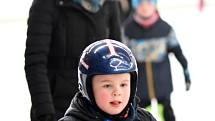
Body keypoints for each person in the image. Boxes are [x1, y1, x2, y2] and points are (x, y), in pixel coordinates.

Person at [24, 0, 122, 120]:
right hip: (57, 106)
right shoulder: (46, 4)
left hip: (98, 106)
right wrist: (45, 112)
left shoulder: (108, 3)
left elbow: (118, 59)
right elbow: (35, 62)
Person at [123, 0, 191, 121]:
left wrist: (186, 71)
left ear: (154, 5)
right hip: (140, 86)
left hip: (162, 84)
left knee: (167, 114)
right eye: (140, 4)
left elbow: (178, 52)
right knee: (141, 116)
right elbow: (122, 57)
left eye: (148, 3)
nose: (145, 7)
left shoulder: (165, 29)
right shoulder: (128, 30)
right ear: (135, 6)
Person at [58, 39, 156, 121]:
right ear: (88, 88)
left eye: (123, 85)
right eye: (107, 85)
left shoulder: (145, 118)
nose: (117, 92)